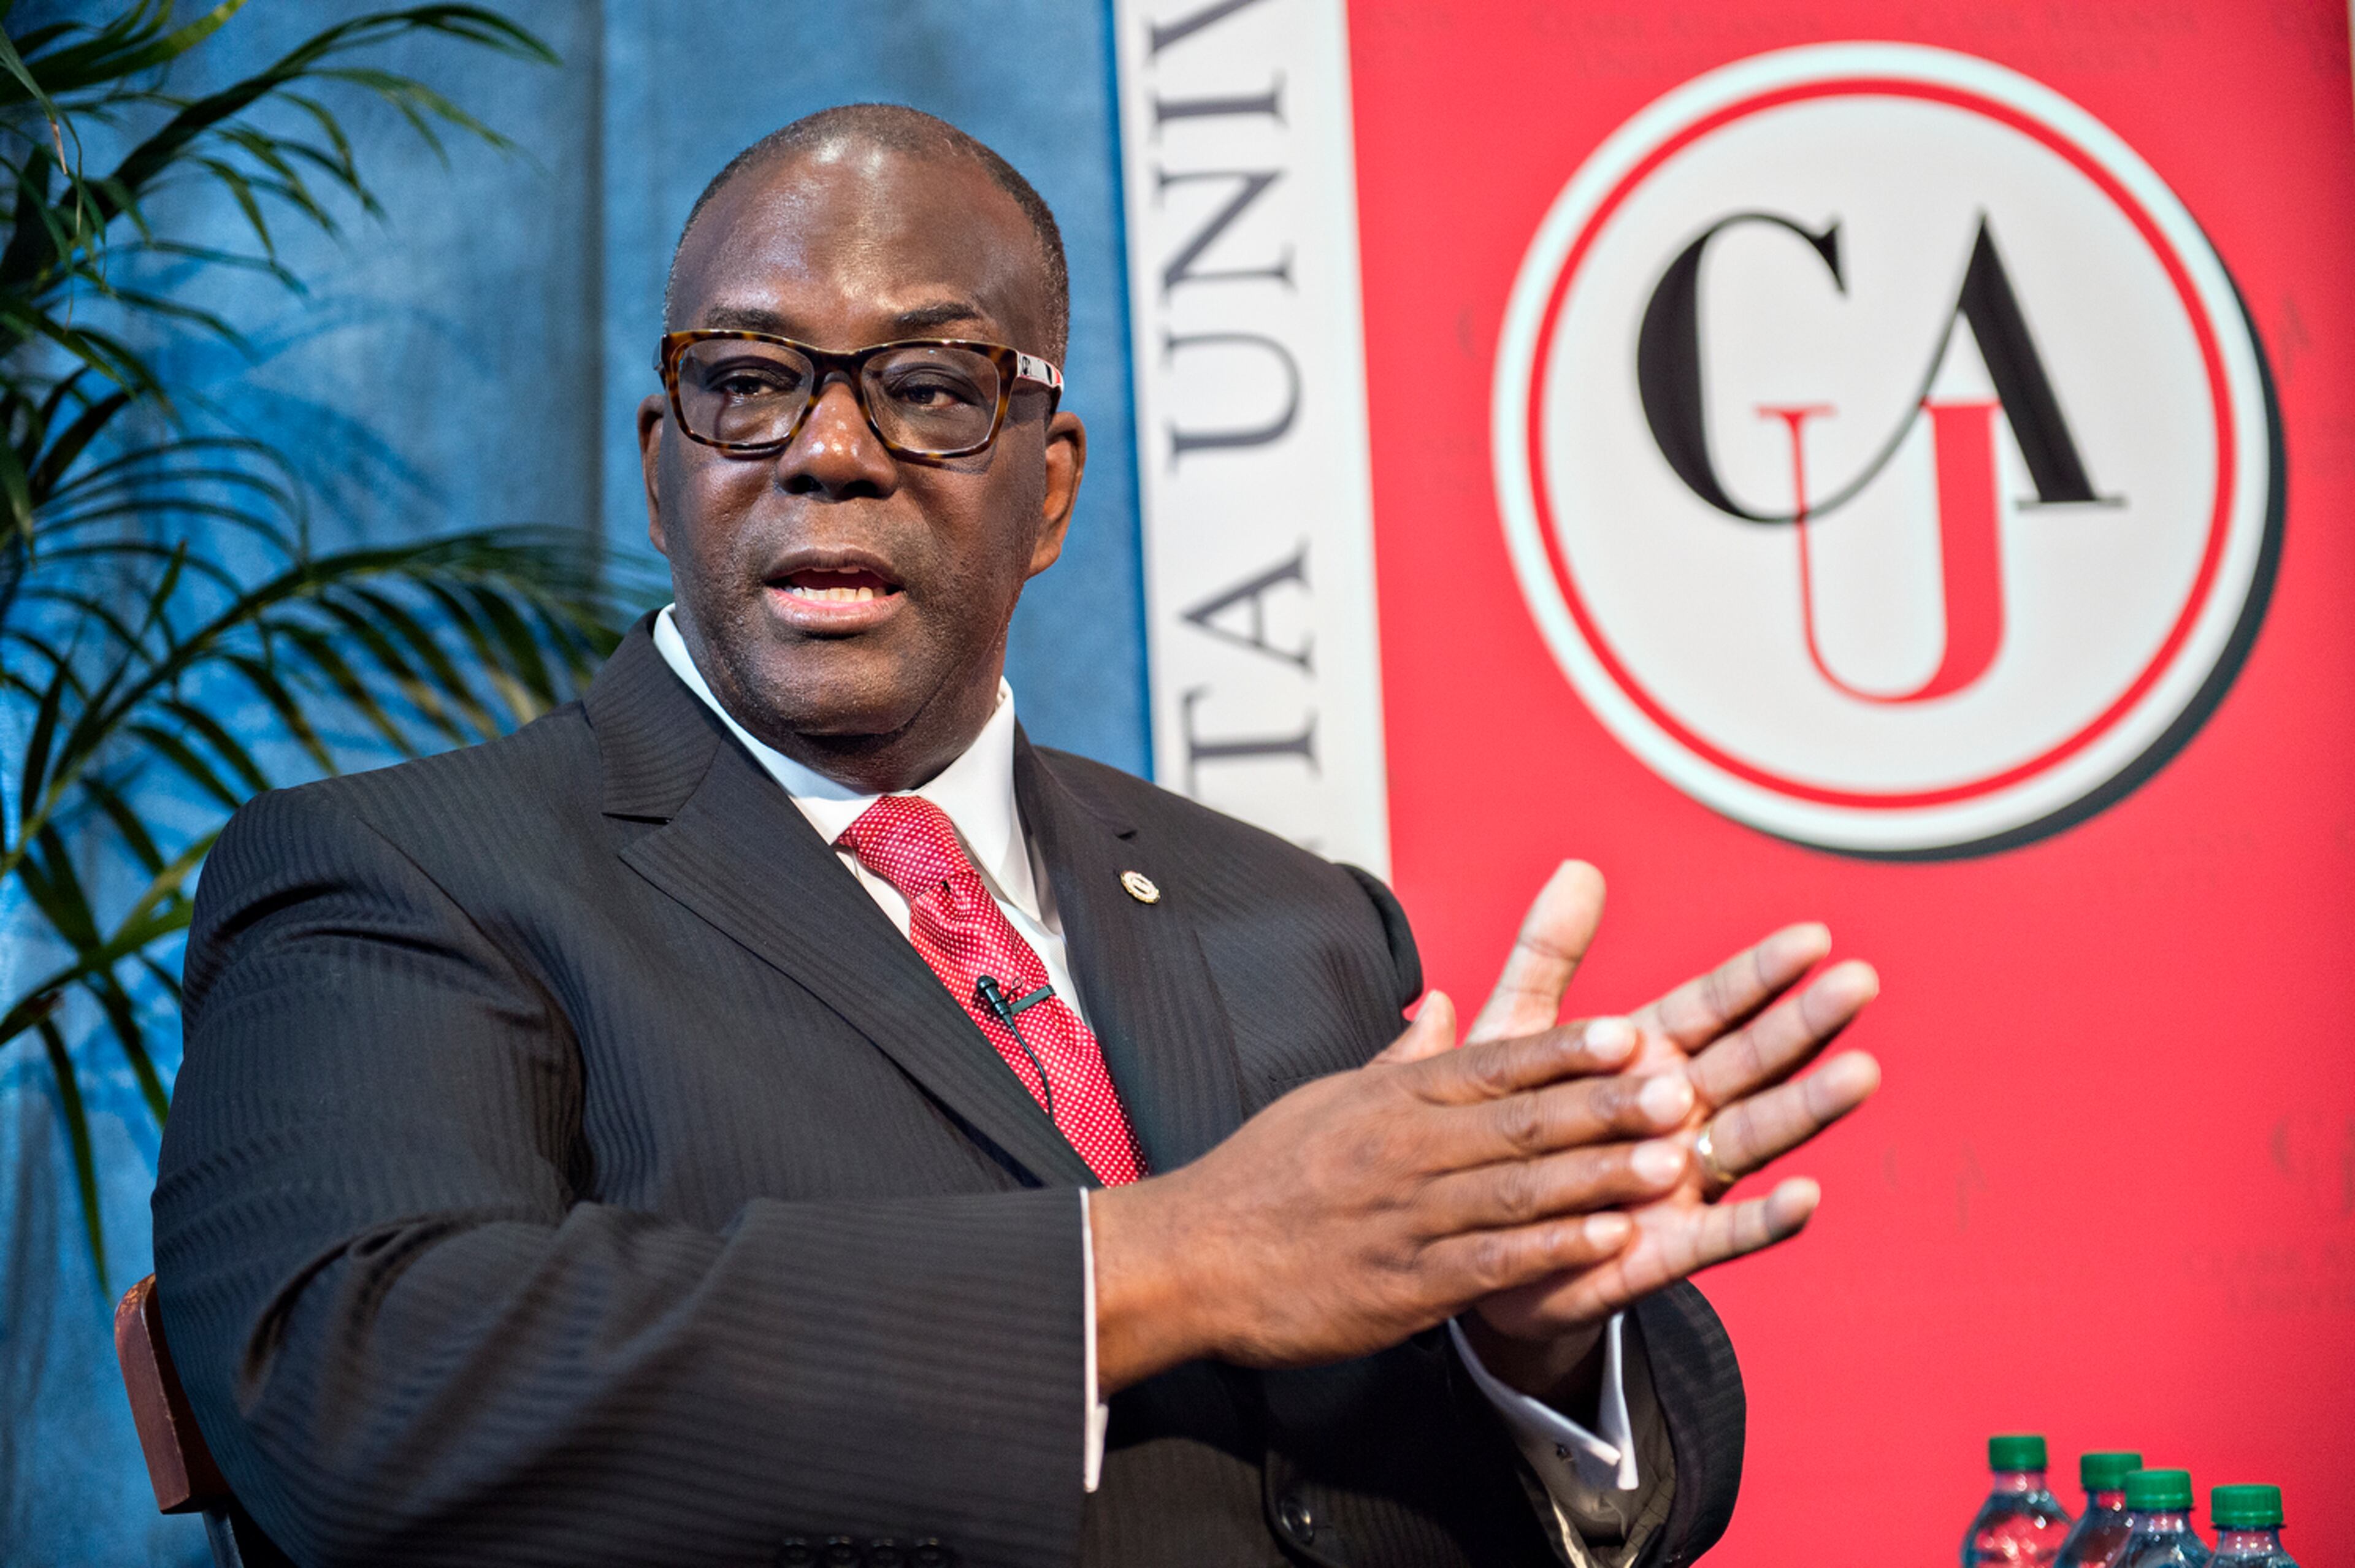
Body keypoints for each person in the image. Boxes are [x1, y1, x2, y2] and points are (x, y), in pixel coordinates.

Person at [153, 105, 1881, 1568]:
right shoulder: (408, 874)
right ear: (664, 463)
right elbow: (354, 1387)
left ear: (1048, 487)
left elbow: (1637, 1489)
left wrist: (1532, 1327)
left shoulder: (1303, 930)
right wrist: (1178, 1253)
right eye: (748, 383)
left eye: (927, 384)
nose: (828, 453)